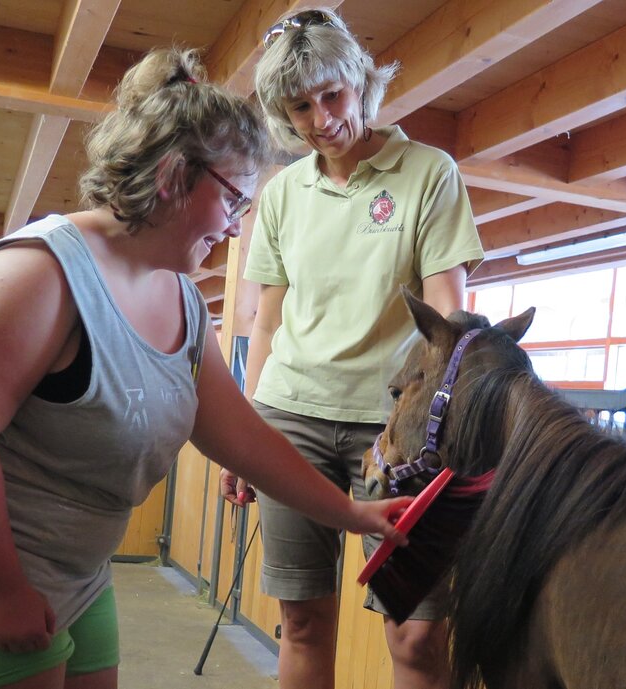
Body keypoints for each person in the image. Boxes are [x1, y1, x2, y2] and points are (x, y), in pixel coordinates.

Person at [0, 47, 411, 689]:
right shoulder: (37, 274)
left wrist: (355, 514)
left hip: (76, 564)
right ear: (174, 176)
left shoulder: (180, 296)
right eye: (235, 201)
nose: (238, 230)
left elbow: (240, 437)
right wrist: (2, 589)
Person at [219, 9, 484, 689]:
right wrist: (247, 432)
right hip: (292, 417)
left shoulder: (429, 173)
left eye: (331, 95)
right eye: (299, 105)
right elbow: (267, 322)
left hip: (395, 431)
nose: (320, 118)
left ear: (361, 82)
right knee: (303, 621)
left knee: (420, 632)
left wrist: (450, 424)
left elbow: (449, 312)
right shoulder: (280, 195)